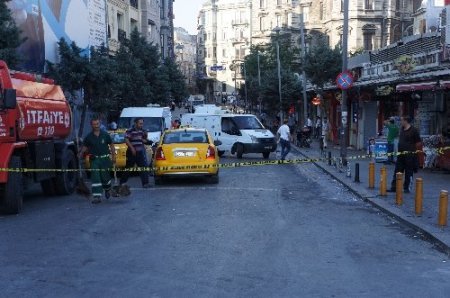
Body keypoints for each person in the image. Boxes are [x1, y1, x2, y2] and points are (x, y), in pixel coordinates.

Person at [79, 118, 116, 204]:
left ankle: (107, 189)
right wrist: (80, 153)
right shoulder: (88, 137)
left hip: (105, 159)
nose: (96, 126)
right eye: (94, 124)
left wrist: (113, 156)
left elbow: (111, 145)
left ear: (100, 124)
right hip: (94, 160)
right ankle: (97, 196)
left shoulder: (105, 135)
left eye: (97, 124)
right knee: (95, 178)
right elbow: (85, 146)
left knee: (105, 177)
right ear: (91, 125)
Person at [388, 116, 421, 193]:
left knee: (409, 171)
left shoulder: (414, 130)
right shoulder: (402, 129)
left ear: (406, 121)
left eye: (402, 120)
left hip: (409, 156)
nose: (401, 122)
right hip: (400, 155)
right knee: (397, 170)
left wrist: (411, 149)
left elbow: (418, 142)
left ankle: (406, 188)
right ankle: (394, 187)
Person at [120, 118, 152, 189]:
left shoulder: (142, 131)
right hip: (131, 152)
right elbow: (126, 139)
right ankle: (122, 183)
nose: (141, 125)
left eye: (142, 123)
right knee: (128, 169)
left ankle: (145, 183)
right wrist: (132, 148)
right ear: (135, 123)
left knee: (143, 167)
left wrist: (147, 138)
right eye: (140, 123)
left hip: (140, 152)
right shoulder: (130, 130)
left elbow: (143, 140)